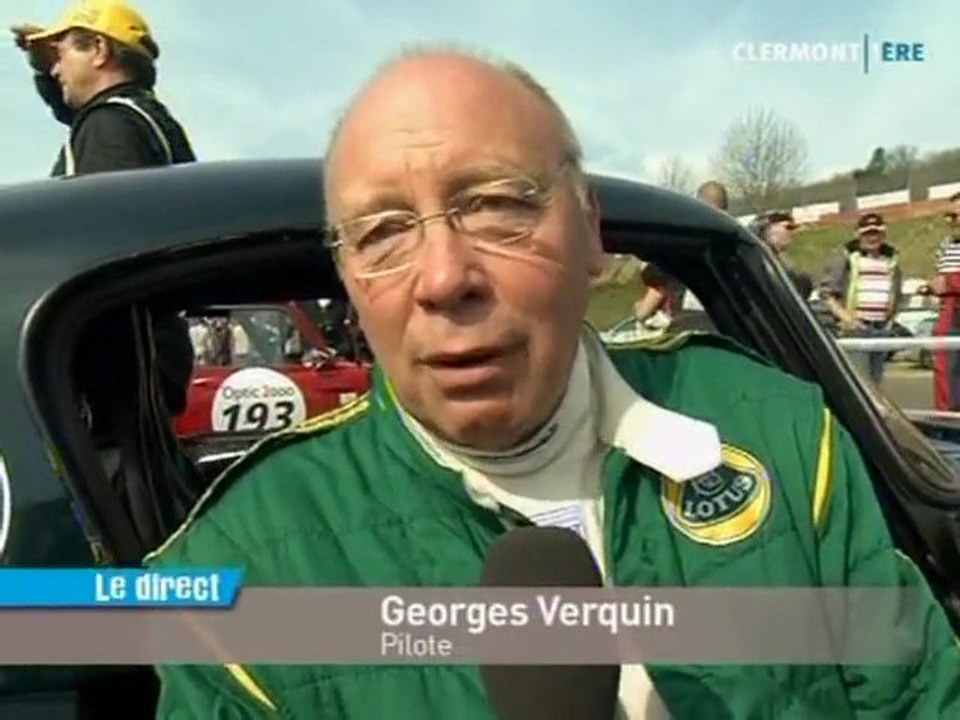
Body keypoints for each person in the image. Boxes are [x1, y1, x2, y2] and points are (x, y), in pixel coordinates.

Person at [146, 50, 960, 718]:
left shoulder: (780, 433)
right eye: (385, 232)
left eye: (498, 205)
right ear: (349, 279)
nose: (443, 277)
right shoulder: (238, 574)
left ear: (592, 232)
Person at [11, 0, 195, 176]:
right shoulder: (142, 117)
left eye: (60, 55)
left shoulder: (109, 121)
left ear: (99, 49)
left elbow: (106, 206)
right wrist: (44, 70)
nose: (55, 70)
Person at [820, 212, 903, 386]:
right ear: (858, 235)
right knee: (857, 383)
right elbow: (826, 293)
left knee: (875, 381)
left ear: (883, 234)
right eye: (867, 233)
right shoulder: (846, 258)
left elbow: (897, 294)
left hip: (881, 328)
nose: (872, 238)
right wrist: (847, 319)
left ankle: (874, 413)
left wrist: (890, 320)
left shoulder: (892, 260)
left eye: (876, 233)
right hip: (856, 328)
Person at [633, 180, 725, 332]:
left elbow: (657, 291)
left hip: (688, 329)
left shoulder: (685, 245)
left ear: (698, 206)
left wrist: (640, 312)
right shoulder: (737, 246)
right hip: (727, 328)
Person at [930, 192, 960, 410]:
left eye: (955, 216)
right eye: (948, 216)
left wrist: (948, 283)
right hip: (949, 312)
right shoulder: (945, 245)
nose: (950, 221)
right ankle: (947, 421)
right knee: (945, 371)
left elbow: (946, 281)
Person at [749, 209, 813, 299]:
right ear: (767, 230)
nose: (791, 233)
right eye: (788, 227)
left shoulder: (779, 259)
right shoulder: (756, 261)